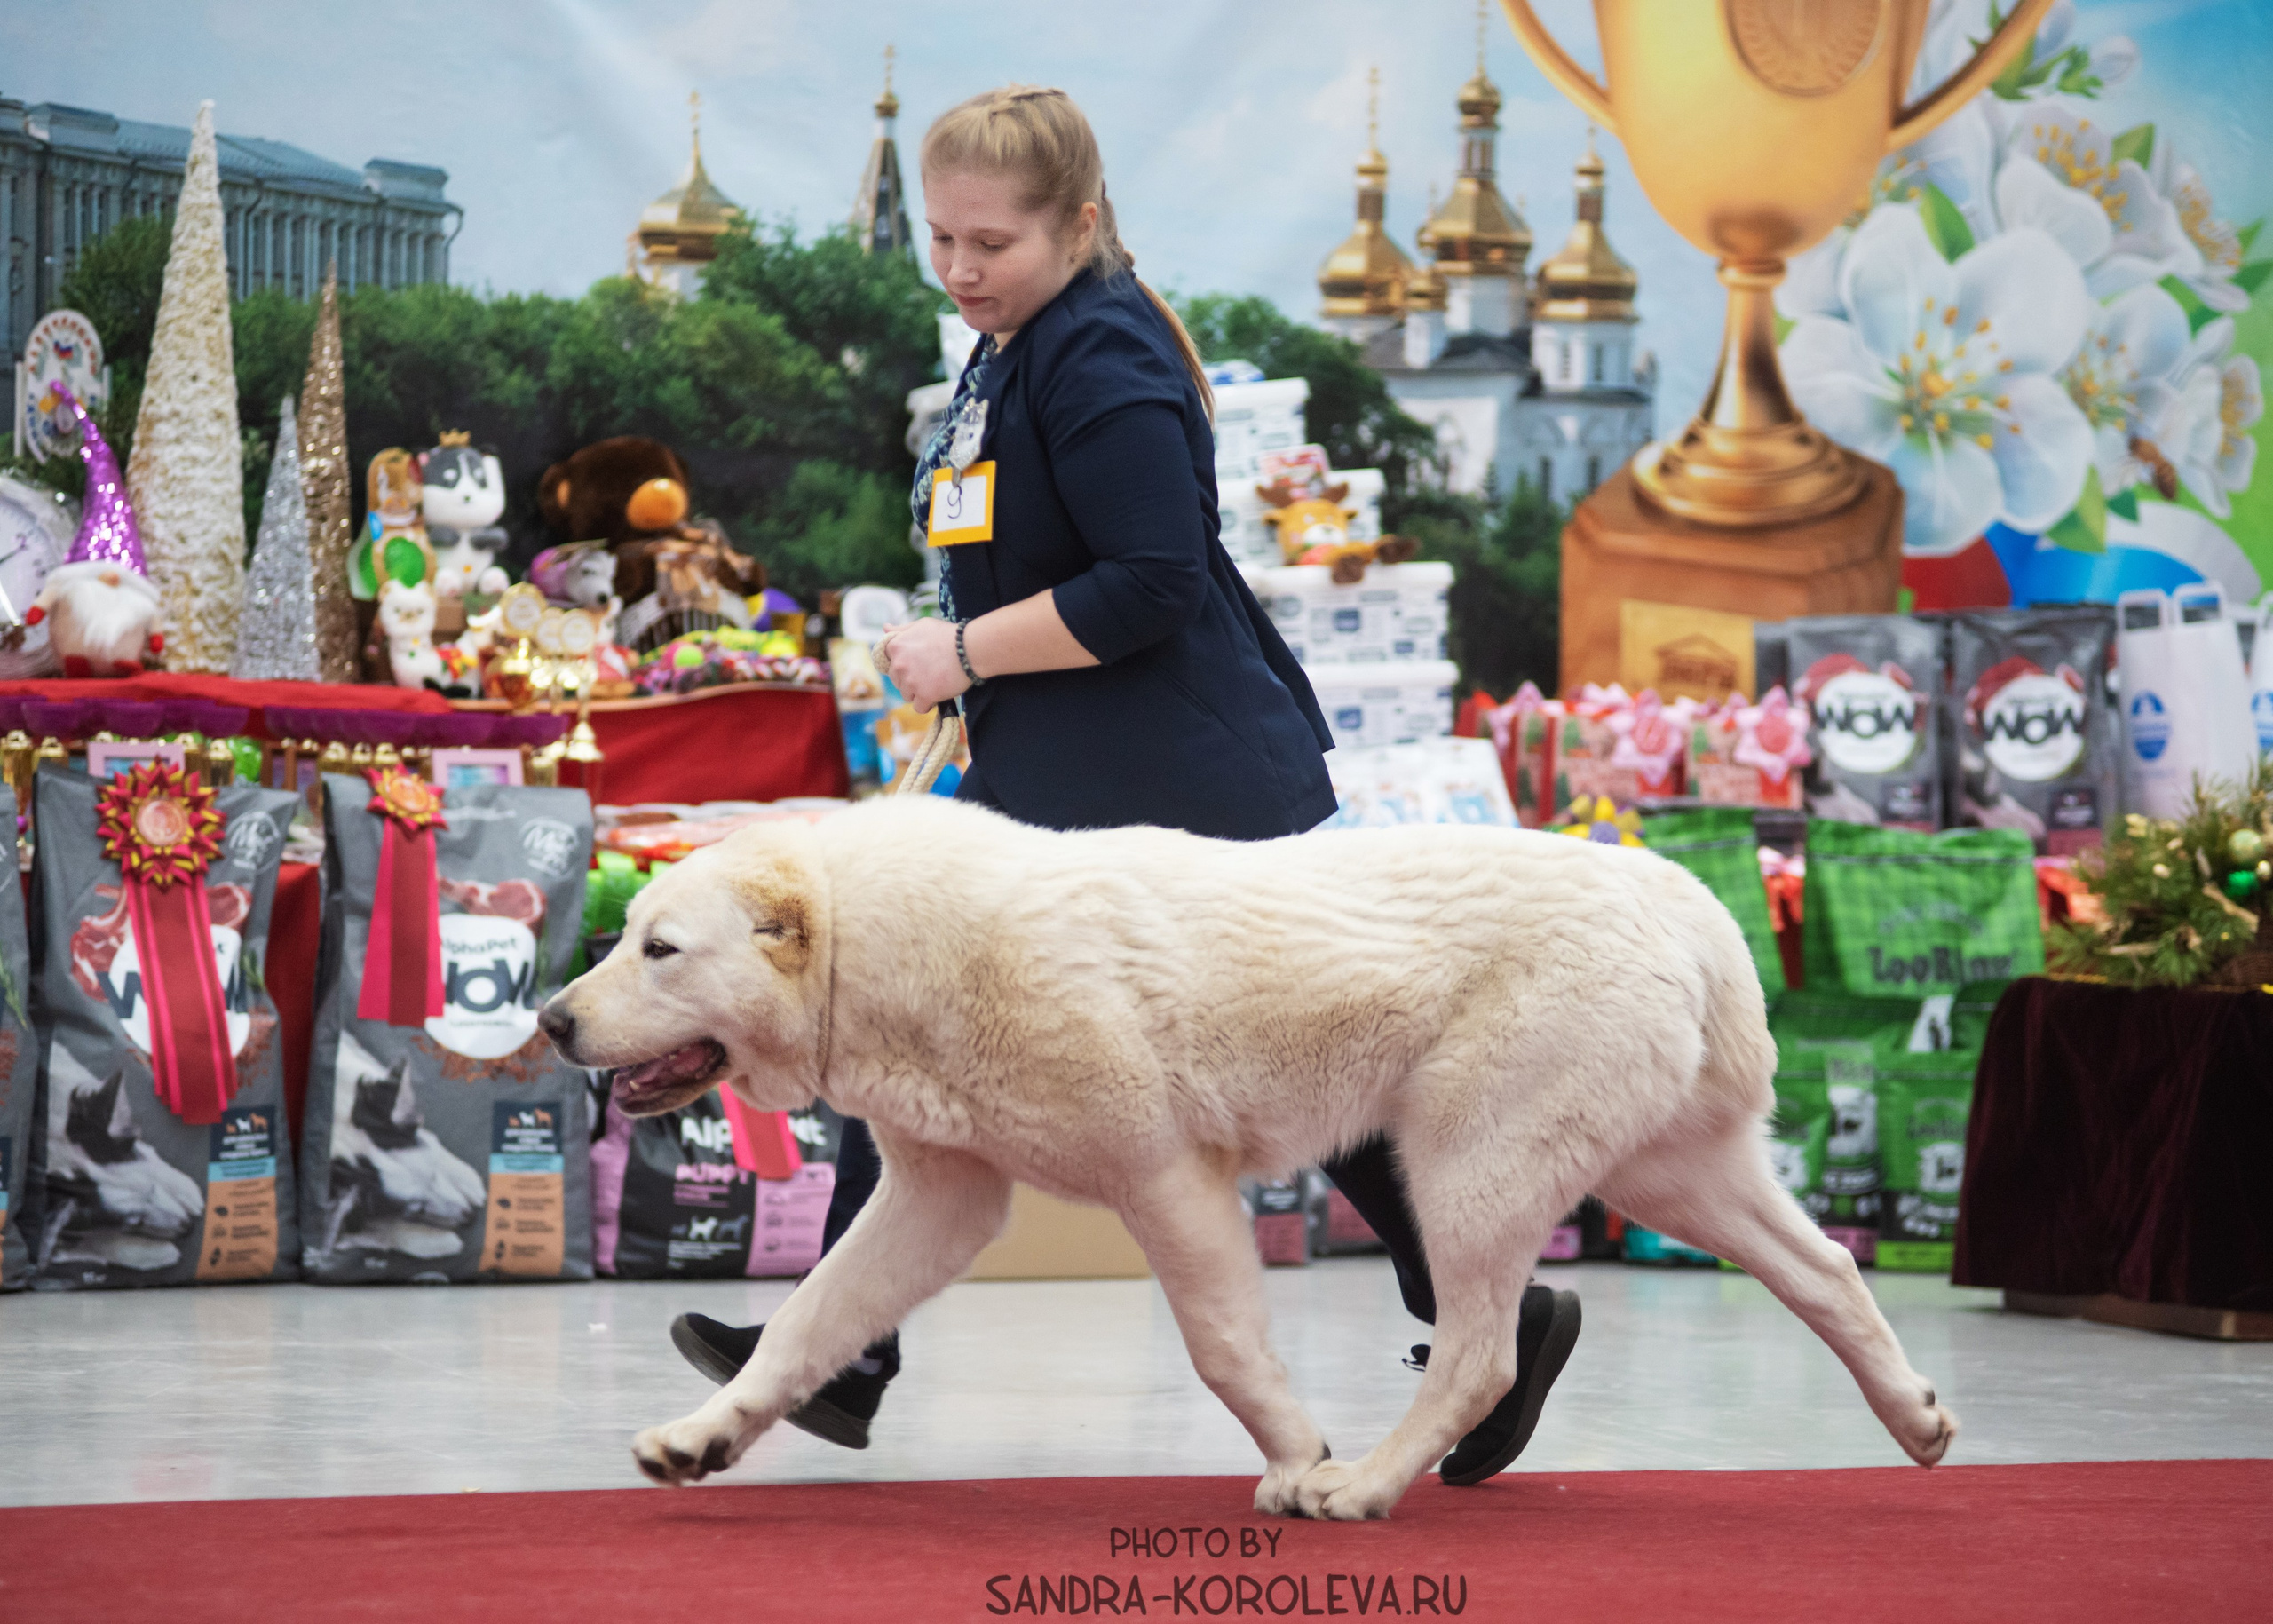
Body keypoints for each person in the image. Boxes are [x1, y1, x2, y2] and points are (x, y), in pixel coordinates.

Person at [669, 83, 1580, 1487]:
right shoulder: (1017, 340)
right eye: (942, 238)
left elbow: (1151, 585)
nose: (961, 270)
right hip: (1074, 776)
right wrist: (968, 672)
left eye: (993, 243)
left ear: (1079, 223)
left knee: (1296, 1069)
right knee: (912, 1030)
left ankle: (1502, 1313)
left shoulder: (1099, 351)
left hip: (1181, 782)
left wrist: (959, 650)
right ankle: (841, 1358)